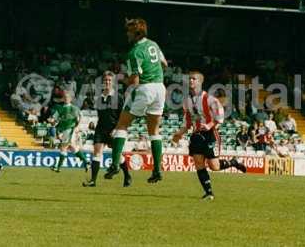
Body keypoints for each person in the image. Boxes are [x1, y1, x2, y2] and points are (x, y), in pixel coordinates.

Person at [104, 18, 167, 183]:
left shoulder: (134, 52)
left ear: (136, 33)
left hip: (145, 88)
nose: (127, 35)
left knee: (122, 125)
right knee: (154, 131)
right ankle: (157, 170)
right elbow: (164, 64)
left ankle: (115, 164)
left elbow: (134, 81)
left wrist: (121, 79)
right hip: (160, 88)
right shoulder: (154, 44)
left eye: (129, 31)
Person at [172, 71, 246, 200]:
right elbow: (187, 122)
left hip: (210, 134)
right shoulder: (187, 101)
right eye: (189, 79)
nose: (190, 81)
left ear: (200, 82)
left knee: (214, 166)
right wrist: (179, 134)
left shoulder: (209, 99)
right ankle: (209, 193)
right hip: (196, 135)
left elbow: (220, 115)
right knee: (199, 164)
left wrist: (209, 125)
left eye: (193, 79)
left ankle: (234, 162)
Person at [83, 71, 131, 188]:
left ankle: (127, 176)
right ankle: (93, 181)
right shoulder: (99, 97)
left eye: (109, 80)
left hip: (114, 129)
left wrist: (117, 129)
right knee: (97, 152)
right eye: (105, 80)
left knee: (118, 156)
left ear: (113, 82)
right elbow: (100, 114)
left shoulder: (119, 97)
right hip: (101, 128)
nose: (107, 82)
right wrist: (93, 124)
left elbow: (123, 116)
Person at [49, 92, 89, 173]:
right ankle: (86, 162)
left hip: (70, 130)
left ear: (71, 99)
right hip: (63, 130)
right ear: (63, 98)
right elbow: (54, 118)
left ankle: (58, 167)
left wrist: (77, 126)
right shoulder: (60, 108)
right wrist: (51, 120)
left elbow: (81, 116)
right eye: (65, 97)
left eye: (68, 97)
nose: (66, 98)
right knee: (73, 148)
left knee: (63, 147)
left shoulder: (74, 108)